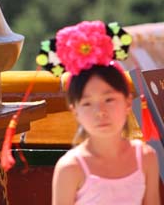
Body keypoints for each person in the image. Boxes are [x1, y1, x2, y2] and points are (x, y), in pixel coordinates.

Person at [38, 21, 160, 205]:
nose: (100, 112)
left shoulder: (145, 157)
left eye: (109, 99)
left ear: (128, 101)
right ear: (75, 111)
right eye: (87, 103)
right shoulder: (71, 168)